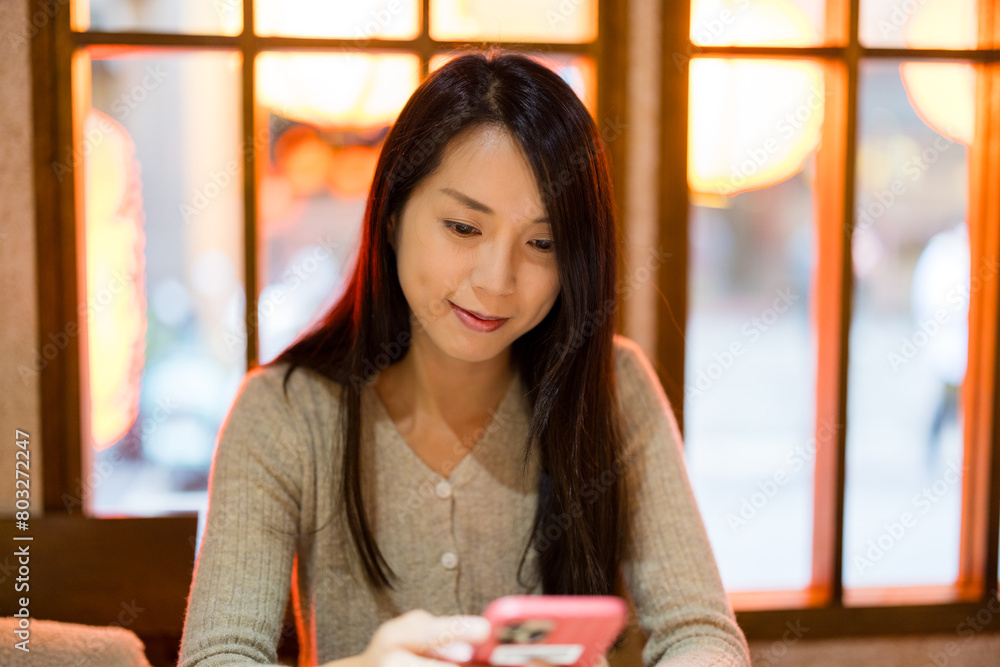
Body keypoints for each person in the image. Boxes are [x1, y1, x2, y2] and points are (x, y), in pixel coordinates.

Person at [177, 49, 751, 667]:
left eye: (542, 242)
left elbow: (701, 633)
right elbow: (219, 656)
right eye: (463, 228)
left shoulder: (616, 388)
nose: (497, 281)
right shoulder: (287, 411)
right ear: (394, 215)